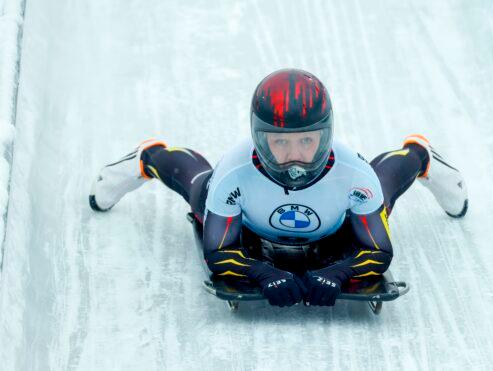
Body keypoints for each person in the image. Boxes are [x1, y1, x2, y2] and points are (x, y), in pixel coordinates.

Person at [89, 69, 468, 307]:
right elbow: (217, 252)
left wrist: (337, 272)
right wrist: (259, 271)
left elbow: (379, 251)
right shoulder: (234, 174)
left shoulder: (354, 174)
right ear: (259, 137)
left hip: (338, 219)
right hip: (249, 221)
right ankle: (148, 156)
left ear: (325, 136)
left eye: (306, 142)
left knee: (380, 191)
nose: (295, 158)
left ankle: (419, 153)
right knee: (199, 187)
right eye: (280, 142)